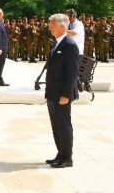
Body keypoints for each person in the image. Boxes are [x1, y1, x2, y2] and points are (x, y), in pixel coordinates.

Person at [44, 13, 80, 168]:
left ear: (62, 26)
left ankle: (67, 158)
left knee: (64, 126)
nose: (49, 27)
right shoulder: (57, 43)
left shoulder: (70, 45)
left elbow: (72, 72)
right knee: (56, 126)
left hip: (62, 94)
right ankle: (60, 154)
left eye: (52, 24)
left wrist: (65, 94)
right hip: (53, 93)